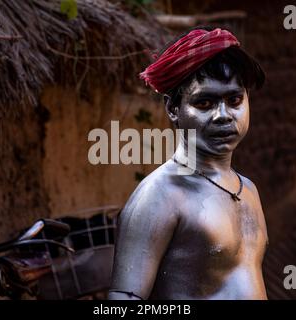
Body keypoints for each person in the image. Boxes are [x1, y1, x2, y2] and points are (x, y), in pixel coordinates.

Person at [108, 26, 269, 300]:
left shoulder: (248, 190)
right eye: (205, 103)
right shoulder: (159, 196)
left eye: (234, 100)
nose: (223, 115)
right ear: (173, 109)